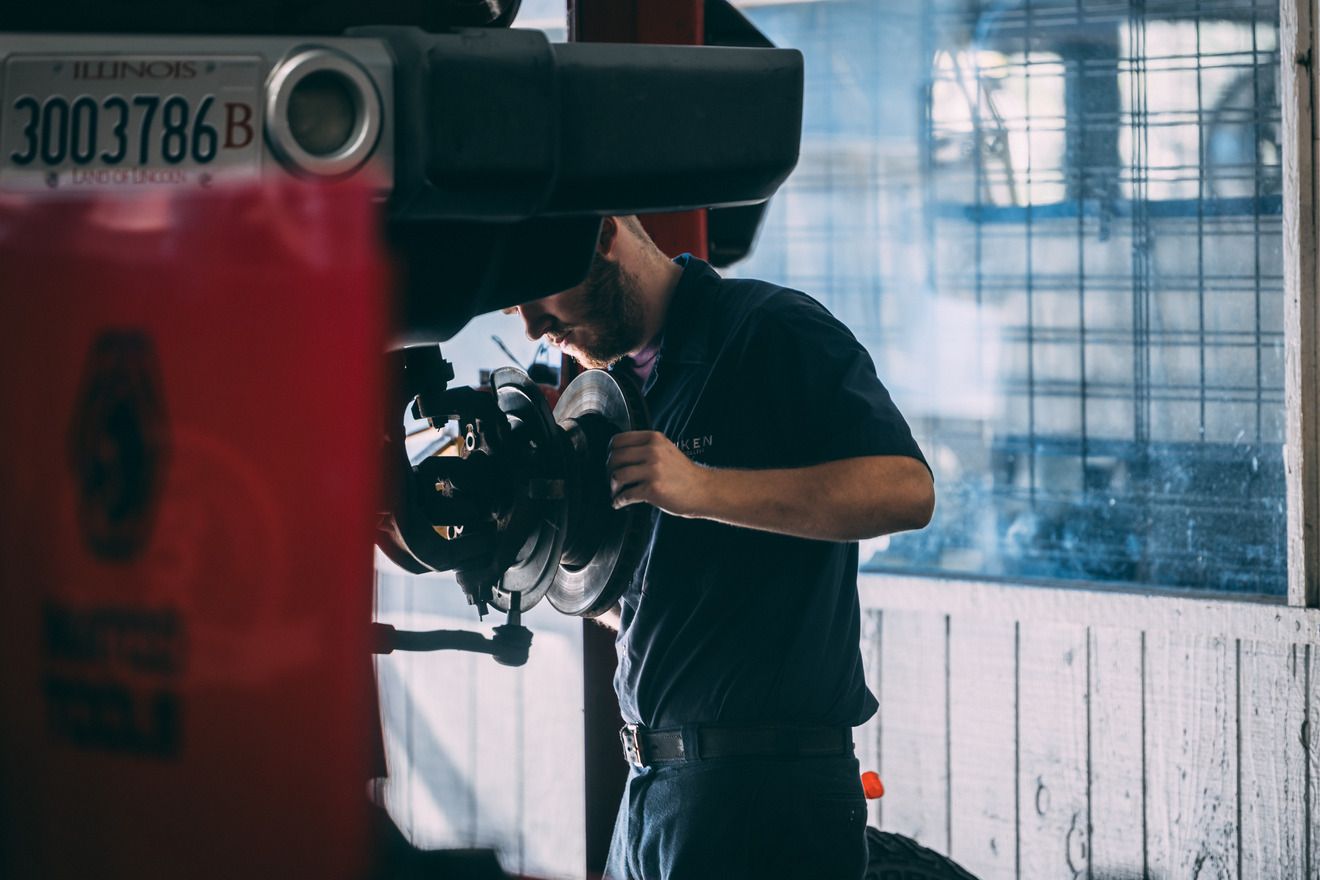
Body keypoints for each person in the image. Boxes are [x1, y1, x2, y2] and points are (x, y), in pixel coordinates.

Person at [512, 215, 934, 880]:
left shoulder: (770, 329)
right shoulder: (620, 398)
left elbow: (906, 490)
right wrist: (551, 549)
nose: (534, 328)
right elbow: (673, 594)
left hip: (761, 795)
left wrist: (701, 487)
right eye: (517, 307)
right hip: (651, 788)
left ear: (603, 234)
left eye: (539, 293)